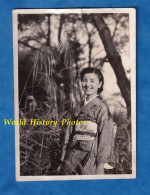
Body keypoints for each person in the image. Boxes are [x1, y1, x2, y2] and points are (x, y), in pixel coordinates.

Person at [60, 67, 116, 175]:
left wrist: (101, 164)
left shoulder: (101, 108)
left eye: (92, 81)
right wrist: (63, 158)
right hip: (72, 155)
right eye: (84, 80)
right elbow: (69, 133)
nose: (87, 84)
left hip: (91, 155)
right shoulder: (77, 108)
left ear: (99, 84)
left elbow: (106, 137)